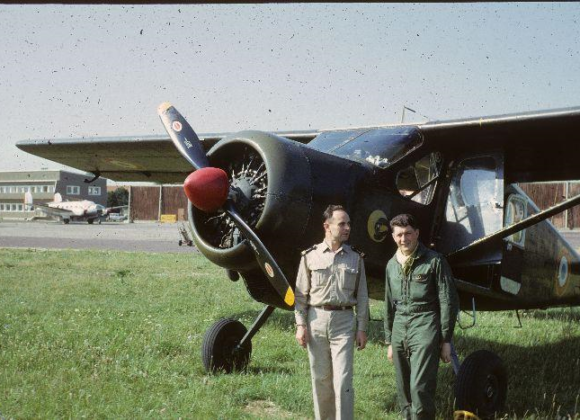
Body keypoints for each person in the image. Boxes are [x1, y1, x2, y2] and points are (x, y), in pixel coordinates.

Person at [295, 204, 369, 420]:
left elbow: (362, 296)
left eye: (349, 224)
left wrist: (362, 328)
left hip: (344, 322)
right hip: (316, 320)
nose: (347, 228)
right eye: (342, 224)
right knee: (320, 379)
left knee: (343, 380)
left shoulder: (355, 257)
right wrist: (300, 324)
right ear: (327, 226)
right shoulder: (310, 256)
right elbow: (301, 295)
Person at [384, 214, 459, 420]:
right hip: (400, 327)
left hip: (425, 323)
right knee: (404, 390)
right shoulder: (391, 265)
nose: (404, 239)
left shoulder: (434, 261)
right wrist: (389, 339)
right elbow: (389, 304)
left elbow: (448, 301)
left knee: (419, 387)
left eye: (408, 233)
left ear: (417, 233)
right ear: (393, 236)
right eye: (399, 234)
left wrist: (445, 340)